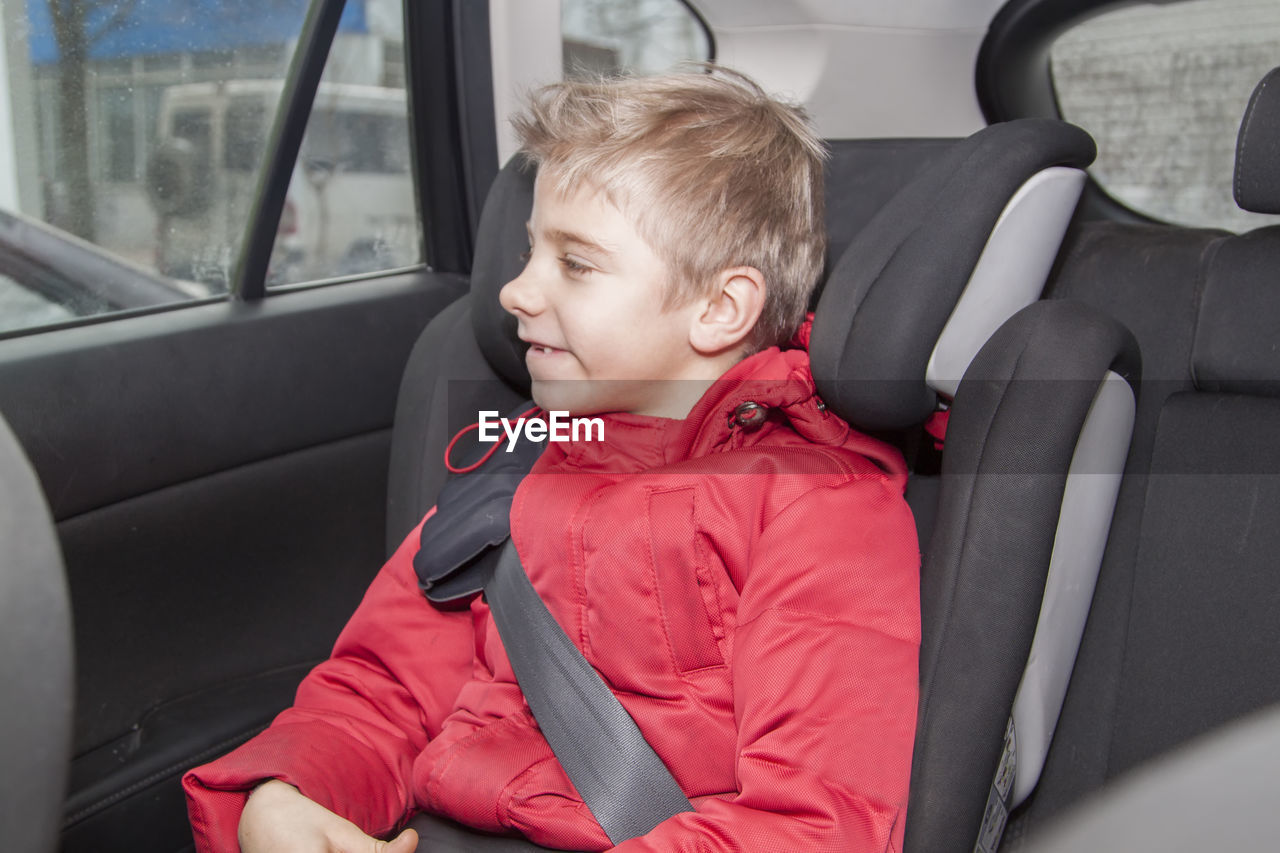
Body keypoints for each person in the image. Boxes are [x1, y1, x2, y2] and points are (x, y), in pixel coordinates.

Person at [184, 66, 920, 853]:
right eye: (532, 250)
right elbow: (386, 688)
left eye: (575, 263)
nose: (514, 291)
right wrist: (288, 792)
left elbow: (811, 826)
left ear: (719, 309)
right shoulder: (516, 464)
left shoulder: (819, 508)